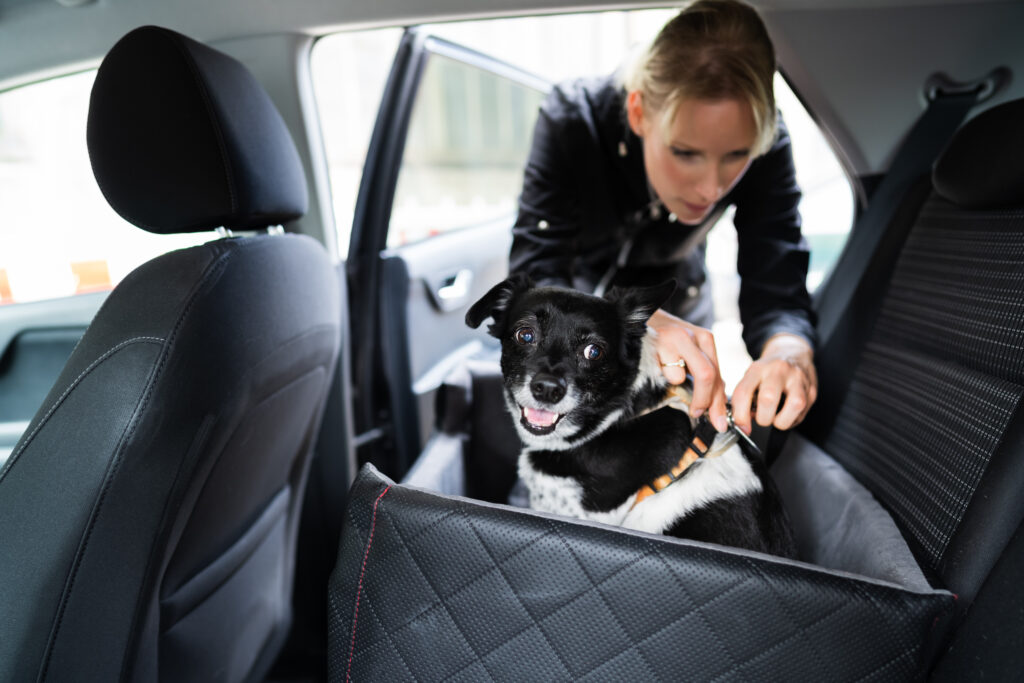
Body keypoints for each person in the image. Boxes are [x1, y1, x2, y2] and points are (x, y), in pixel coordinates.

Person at [509, 0, 817, 435]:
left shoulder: (768, 143)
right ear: (638, 113)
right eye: (685, 153)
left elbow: (777, 280)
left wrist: (789, 352)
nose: (712, 188)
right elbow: (535, 270)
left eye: (736, 155)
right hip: (570, 317)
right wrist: (626, 323)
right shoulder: (573, 121)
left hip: (681, 303)